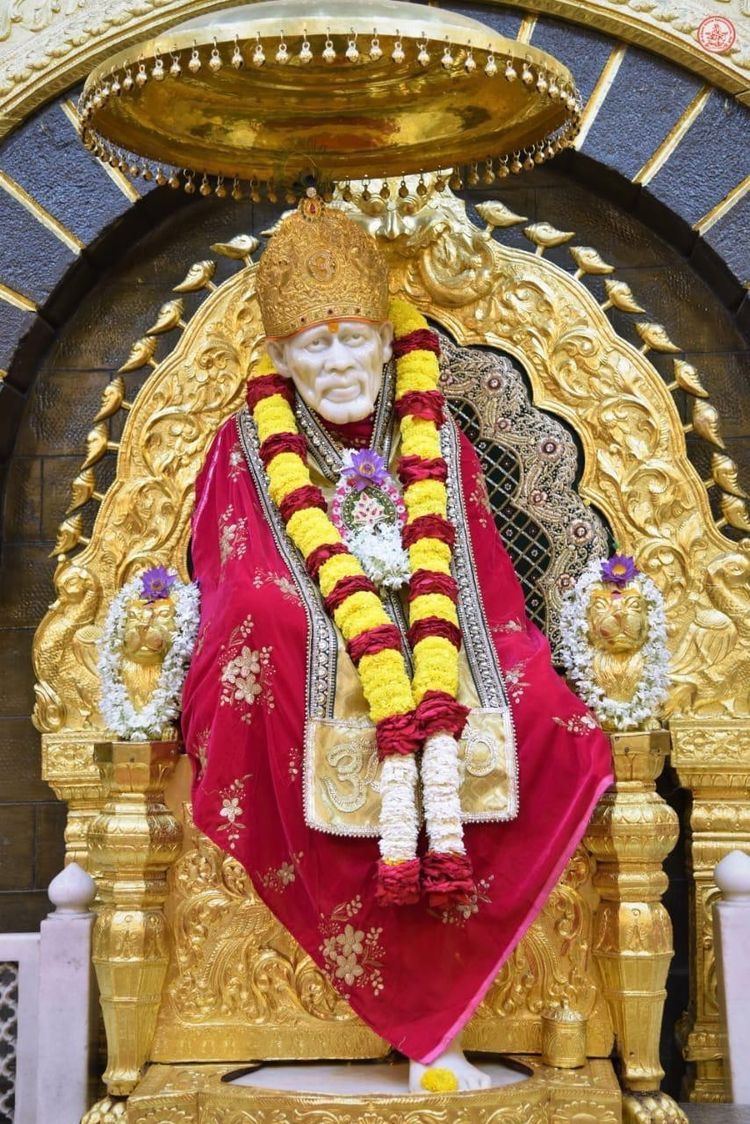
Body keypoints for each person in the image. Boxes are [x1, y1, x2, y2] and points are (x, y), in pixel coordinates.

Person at [181, 197, 613, 1092]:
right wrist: (335, 620)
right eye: (314, 344)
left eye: (352, 339)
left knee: (551, 717)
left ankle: (473, 990)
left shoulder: (438, 436)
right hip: (313, 656)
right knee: (271, 625)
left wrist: (428, 638)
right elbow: (236, 584)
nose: (337, 362)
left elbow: (484, 573)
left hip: (445, 642)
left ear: (387, 343)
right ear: (280, 358)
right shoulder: (245, 446)